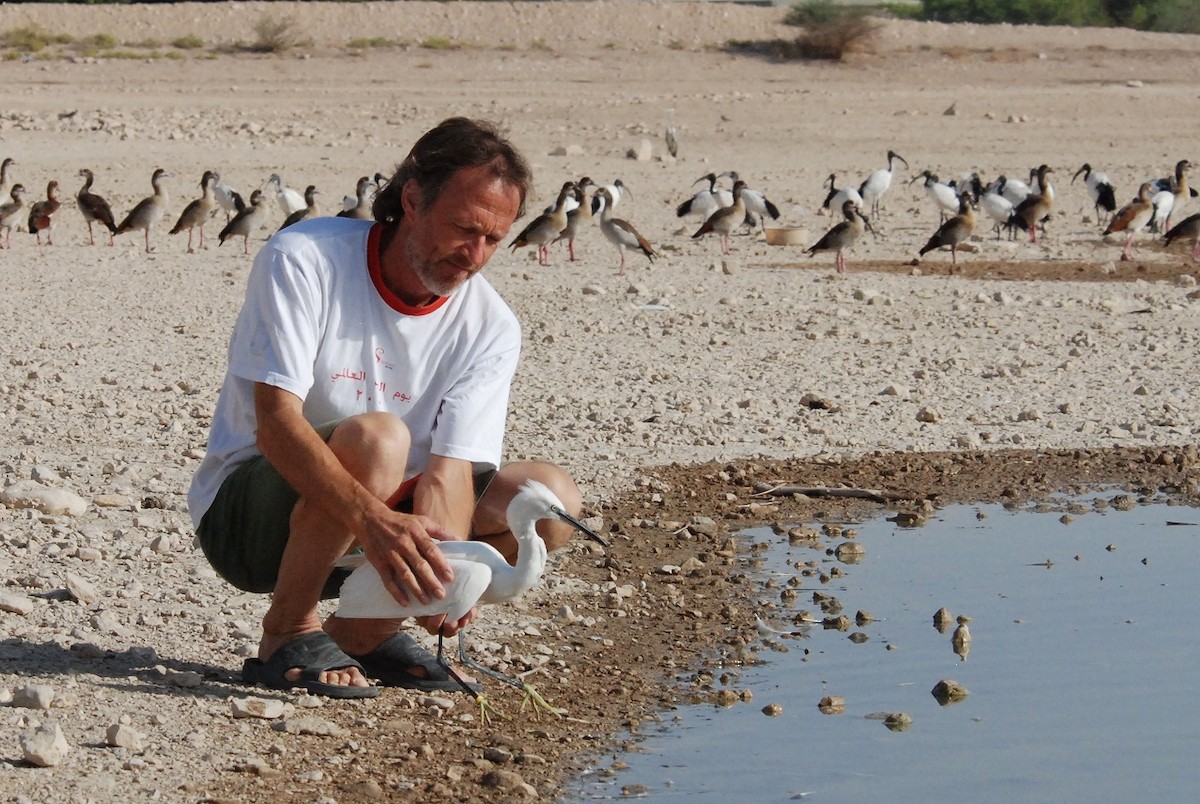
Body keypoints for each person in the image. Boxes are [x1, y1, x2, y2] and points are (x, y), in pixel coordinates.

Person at [187, 117, 583, 698]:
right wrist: (372, 524)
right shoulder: (305, 258)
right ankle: (287, 632)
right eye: (464, 229)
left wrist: (446, 578)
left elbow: (451, 473)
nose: (474, 256)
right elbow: (274, 425)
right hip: (251, 519)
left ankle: (359, 637)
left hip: (382, 523)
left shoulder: (491, 324)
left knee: (549, 502)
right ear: (414, 199)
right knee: (379, 439)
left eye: (493, 240)